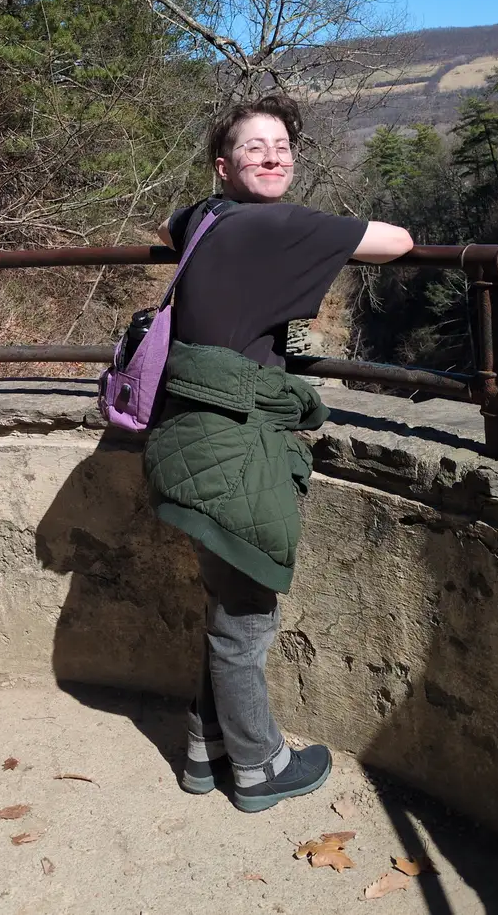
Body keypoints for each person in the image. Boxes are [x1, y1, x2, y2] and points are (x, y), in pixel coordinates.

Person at [144, 93, 413, 814]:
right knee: (246, 616)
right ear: (223, 164)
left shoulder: (198, 218)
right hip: (233, 441)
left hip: (185, 430)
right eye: (254, 147)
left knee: (227, 598)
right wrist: (312, 227)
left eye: (282, 146)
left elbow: (164, 227)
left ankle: (207, 748)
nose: (273, 156)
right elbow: (398, 241)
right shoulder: (278, 225)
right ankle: (259, 768)